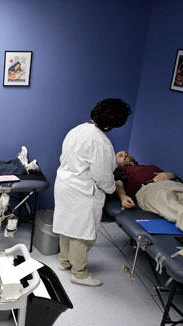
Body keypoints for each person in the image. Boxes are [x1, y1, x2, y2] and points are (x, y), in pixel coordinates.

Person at [53, 98, 132, 287]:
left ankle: (64, 262)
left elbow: (75, 158)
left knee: (66, 226)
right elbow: (102, 175)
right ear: (113, 123)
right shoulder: (102, 142)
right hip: (83, 190)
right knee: (82, 234)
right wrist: (114, 190)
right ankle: (79, 274)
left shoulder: (77, 130)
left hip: (65, 183)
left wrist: (114, 163)